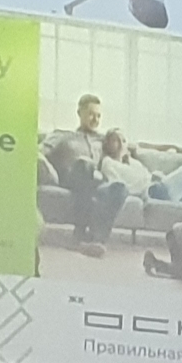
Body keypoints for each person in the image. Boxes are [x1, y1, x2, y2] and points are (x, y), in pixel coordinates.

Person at [39, 94, 127, 257]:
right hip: (72, 177)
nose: (96, 119)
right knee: (85, 165)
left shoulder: (104, 140)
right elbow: (40, 151)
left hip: (97, 182)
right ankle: (78, 236)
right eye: (91, 114)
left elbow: (127, 151)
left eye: (99, 115)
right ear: (79, 113)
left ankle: (96, 241)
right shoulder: (62, 135)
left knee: (119, 187)